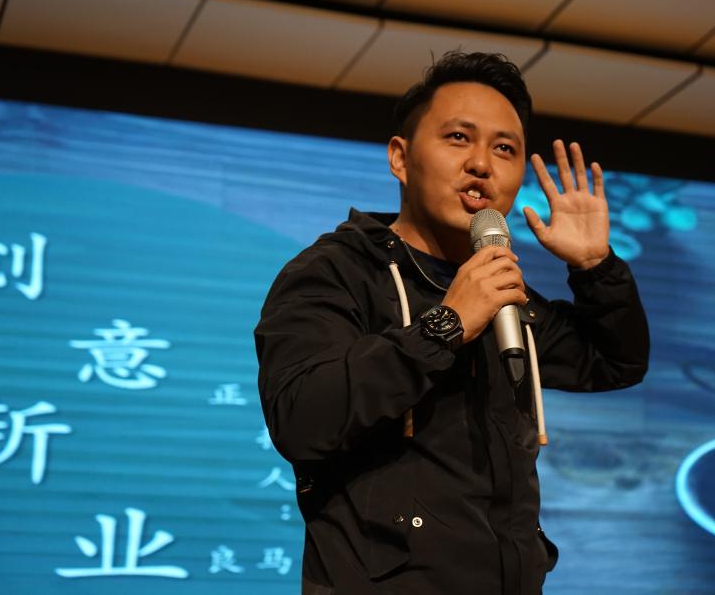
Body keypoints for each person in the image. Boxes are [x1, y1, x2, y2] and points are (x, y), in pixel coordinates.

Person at [255, 51, 650, 595]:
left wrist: (595, 267)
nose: (482, 164)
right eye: (459, 138)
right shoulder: (336, 271)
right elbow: (301, 418)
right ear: (400, 157)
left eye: (504, 148)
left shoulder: (500, 291)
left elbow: (613, 362)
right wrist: (446, 324)